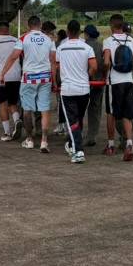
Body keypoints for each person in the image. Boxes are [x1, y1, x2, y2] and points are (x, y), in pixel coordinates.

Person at [0, 15, 56, 153]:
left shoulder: (24, 38)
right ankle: (44, 141)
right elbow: (53, 61)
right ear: (40, 25)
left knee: (27, 109)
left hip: (29, 77)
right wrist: (54, 80)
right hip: (45, 78)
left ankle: (29, 139)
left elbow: (14, 56)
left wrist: (3, 73)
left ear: (29, 25)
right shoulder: (49, 39)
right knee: (44, 110)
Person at [101, 14, 133, 161]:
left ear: (111, 25)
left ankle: (111, 144)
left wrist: (104, 73)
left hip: (114, 82)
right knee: (127, 114)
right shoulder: (131, 40)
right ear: (122, 25)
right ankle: (129, 144)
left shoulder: (108, 41)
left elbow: (107, 62)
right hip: (128, 81)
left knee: (111, 113)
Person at [56, 20, 96, 164]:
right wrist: (86, 76)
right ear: (80, 32)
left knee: (72, 121)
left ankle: (78, 151)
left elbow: (58, 67)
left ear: (67, 32)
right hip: (84, 89)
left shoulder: (61, 48)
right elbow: (94, 67)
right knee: (78, 119)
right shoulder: (87, 48)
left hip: (68, 90)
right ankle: (73, 144)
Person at [82, 24, 105, 147]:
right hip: (98, 82)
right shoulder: (101, 46)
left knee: (78, 109)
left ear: (86, 34)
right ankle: (92, 135)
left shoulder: (83, 46)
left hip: (82, 81)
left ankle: (75, 133)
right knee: (95, 109)